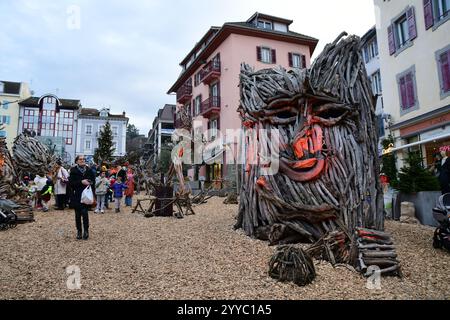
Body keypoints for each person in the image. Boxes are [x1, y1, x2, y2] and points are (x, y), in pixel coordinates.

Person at [69, 155, 95, 240]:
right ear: (76, 161)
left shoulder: (89, 170)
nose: (82, 160)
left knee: (85, 213)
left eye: (84, 159)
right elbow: (71, 184)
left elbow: (93, 181)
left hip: (86, 195)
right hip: (77, 195)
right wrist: (81, 182)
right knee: (77, 214)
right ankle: (79, 231)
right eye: (80, 159)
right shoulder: (73, 170)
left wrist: (90, 182)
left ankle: (86, 231)